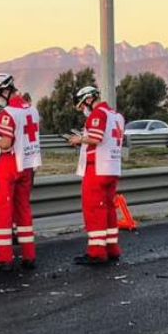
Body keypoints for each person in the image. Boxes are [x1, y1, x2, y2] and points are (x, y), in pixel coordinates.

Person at [0, 73, 42, 272]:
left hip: (9, 163)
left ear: (5, 90)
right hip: (27, 164)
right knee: (23, 210)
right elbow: (20, 131)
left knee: (2, 212)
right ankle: (29, 255)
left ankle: (4, 258)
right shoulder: (32, 109)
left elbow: (5, 143)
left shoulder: (8, 112)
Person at [65, 85, 125, 265]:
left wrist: (78, 139)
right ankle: (112, 248)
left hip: (97, 167)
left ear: (89, 99)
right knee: (108, 209)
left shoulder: (98, 114)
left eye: (83, 105)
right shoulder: (117, 116)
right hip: (113, 167)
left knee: (93, 209)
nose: (83, 109)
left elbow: (96, 138)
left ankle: (97, 252)